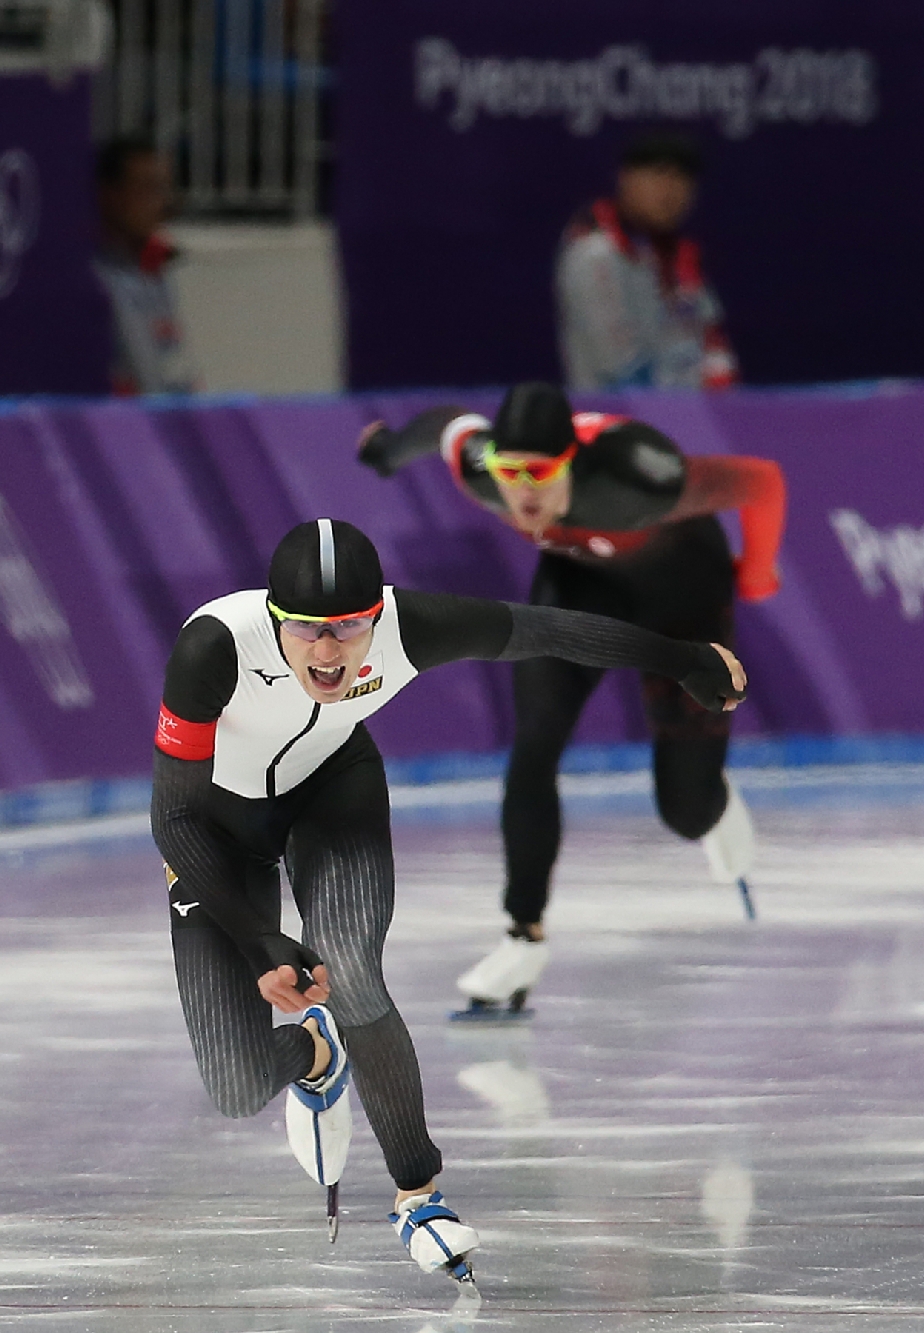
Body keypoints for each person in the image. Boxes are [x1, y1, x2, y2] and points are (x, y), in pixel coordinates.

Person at [151, 517, 746, 1285]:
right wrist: (255, 934)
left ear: (379, 614)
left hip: (333, 795)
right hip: (214, 827)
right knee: (234, 1087)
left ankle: (417, 1192)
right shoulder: (215, 648)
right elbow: (173, 817)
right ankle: (317, 1054)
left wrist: (683, 660)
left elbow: (548, 629)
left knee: (353, 968)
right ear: (275, 618)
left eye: (350, 627)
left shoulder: (410, 628)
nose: (329, 652)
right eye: (308, 631)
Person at [358, 383, 784, 1014]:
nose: (522, 494)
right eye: (510, 472)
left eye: (540, 474)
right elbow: (448, 425)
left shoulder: (638, 477)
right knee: (534, 742)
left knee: (684, 810)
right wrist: (392, 451)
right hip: (581, 582)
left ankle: (712, 804)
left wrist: (756, 571)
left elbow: (761, 480)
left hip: (680, 585)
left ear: (573, 464)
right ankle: (521, 935)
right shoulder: (480, 470)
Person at [556, 132, 737, 391]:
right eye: (658, 174)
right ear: (625, 179)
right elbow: (621, 366)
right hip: (616, 420)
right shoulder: (595, 251)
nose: (671, 190)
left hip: (690, 419)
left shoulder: (679, 257)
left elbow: (713, 345)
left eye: (682, 178)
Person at [93, 135, 197, 395]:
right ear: (111, 194)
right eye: (148, 188)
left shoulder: (155, 268)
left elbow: (171, 359)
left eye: (165, 188)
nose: (161, 203)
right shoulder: (92, 278)